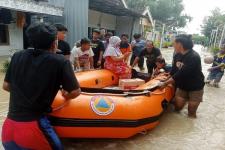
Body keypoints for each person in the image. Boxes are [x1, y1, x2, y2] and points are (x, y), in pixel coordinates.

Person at [1, 23, 81, 150]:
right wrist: (66, 94)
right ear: (54, 42)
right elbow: (75, 91)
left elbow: (6, 86)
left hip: (8, 128)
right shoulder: (60, 61)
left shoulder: (17, 56)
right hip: (33, 129)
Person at [159, 34, 205, 118]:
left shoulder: (193, 57)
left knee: (191, 113)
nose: (173, 45)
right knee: (177, 108)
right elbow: (173, 71)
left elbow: (182, 73)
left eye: (174, 43)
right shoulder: (177, 55)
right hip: (182, 86)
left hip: (195, 87)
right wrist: (165, 80)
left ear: (179, 44)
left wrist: (165, 84)